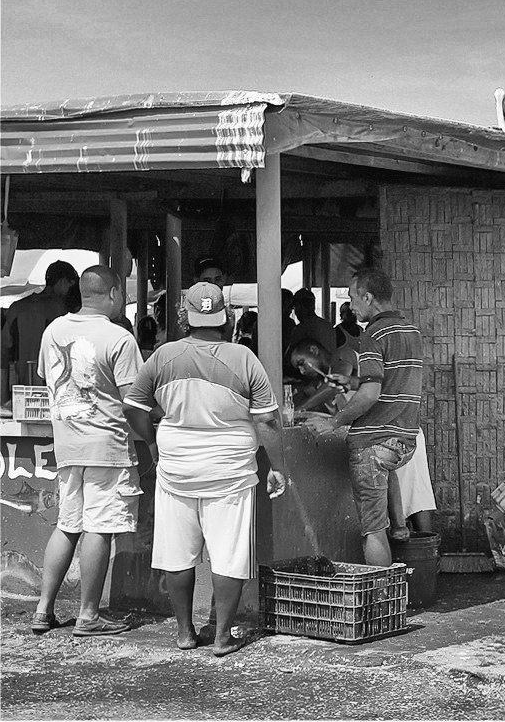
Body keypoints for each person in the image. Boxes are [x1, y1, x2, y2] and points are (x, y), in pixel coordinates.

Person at [124, 282, 288, 657]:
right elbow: (268, 423)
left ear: (185, 316)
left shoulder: (163, 356)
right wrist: (278, 468)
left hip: (176, 469)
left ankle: (184, 632)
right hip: (230, 472)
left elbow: (132, 407)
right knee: (228, 554)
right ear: (225, 318)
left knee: (178, 555)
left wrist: (153, 441)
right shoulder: (244, 358)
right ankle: (222, 637)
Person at [31, 265, 142, 638]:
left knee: (67, 524)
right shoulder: (119, 338)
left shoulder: (53, 331)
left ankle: (43, 610)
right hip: (106, 446)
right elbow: (133, 400)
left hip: (67, 444)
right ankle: (89, 614)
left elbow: (47, 379)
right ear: (112, 294)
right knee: (99, 527)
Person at [303, 268, 423, 566]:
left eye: (354, 298)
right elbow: (388, 382)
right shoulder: (411, 331)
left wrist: (333, 422)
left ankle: (380, 602)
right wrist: (354, 383)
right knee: (386, 473)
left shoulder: (374, 334)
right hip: (403, 439)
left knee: (372, 529)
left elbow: (370, 397)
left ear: (369, 297)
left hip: (374, 441)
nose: (350, 305)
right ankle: (400, 527)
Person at [5, 260, 80, 367]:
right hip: (53, 377)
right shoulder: (63, 310)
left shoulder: (16, 307)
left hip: (22, 378)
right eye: (70, 285)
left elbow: (4, 348)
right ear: (62, 282)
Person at [290, 288, 336, 362]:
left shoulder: (301, 329)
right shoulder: (328, 326)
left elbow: (291, 356)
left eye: (295, 308)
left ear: (299, 307)